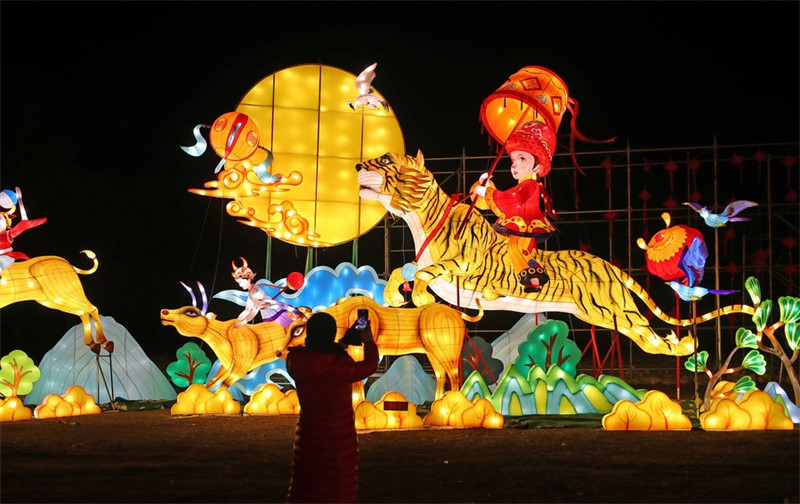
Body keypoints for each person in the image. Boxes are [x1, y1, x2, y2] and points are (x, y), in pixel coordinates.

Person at [285, 312, 379, 503]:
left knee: (307, 486)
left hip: (308, 438)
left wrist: (342, 344)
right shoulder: (339, 366)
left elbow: (318, 357)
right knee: (336, 488)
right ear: (331, 333)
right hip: (337, 441)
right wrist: (368, 340)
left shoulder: (295, 361)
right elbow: (369, 366)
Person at [471, 120, 557, 293]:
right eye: (513, 159)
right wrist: (484, 188)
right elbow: (495, 203)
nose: (514, 164)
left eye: (522, 158)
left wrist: (488, 191)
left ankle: (535, 277)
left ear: (538, 165)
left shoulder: (530, 186)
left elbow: (510, 200)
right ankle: (530, 278)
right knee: (514, 249)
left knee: (516, 247)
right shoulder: (522, 185)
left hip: (525, 224)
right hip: (519, 225)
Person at [230, 257, 304, 328]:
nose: (240, 285)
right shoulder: (251, 294)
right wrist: (236, 321)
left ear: (249, 279)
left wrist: (243, 322)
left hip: (273, 312)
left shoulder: (257, 291)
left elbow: (255, 310)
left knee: (290, 328)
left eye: (240, 281)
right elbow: (247, 310)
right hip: (266, 315)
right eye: (238, 282)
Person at [0, 187, 46, 277]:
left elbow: (24, 222)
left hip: (7, 257)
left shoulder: (8, 234)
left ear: (6, 223)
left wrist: (20, 201)